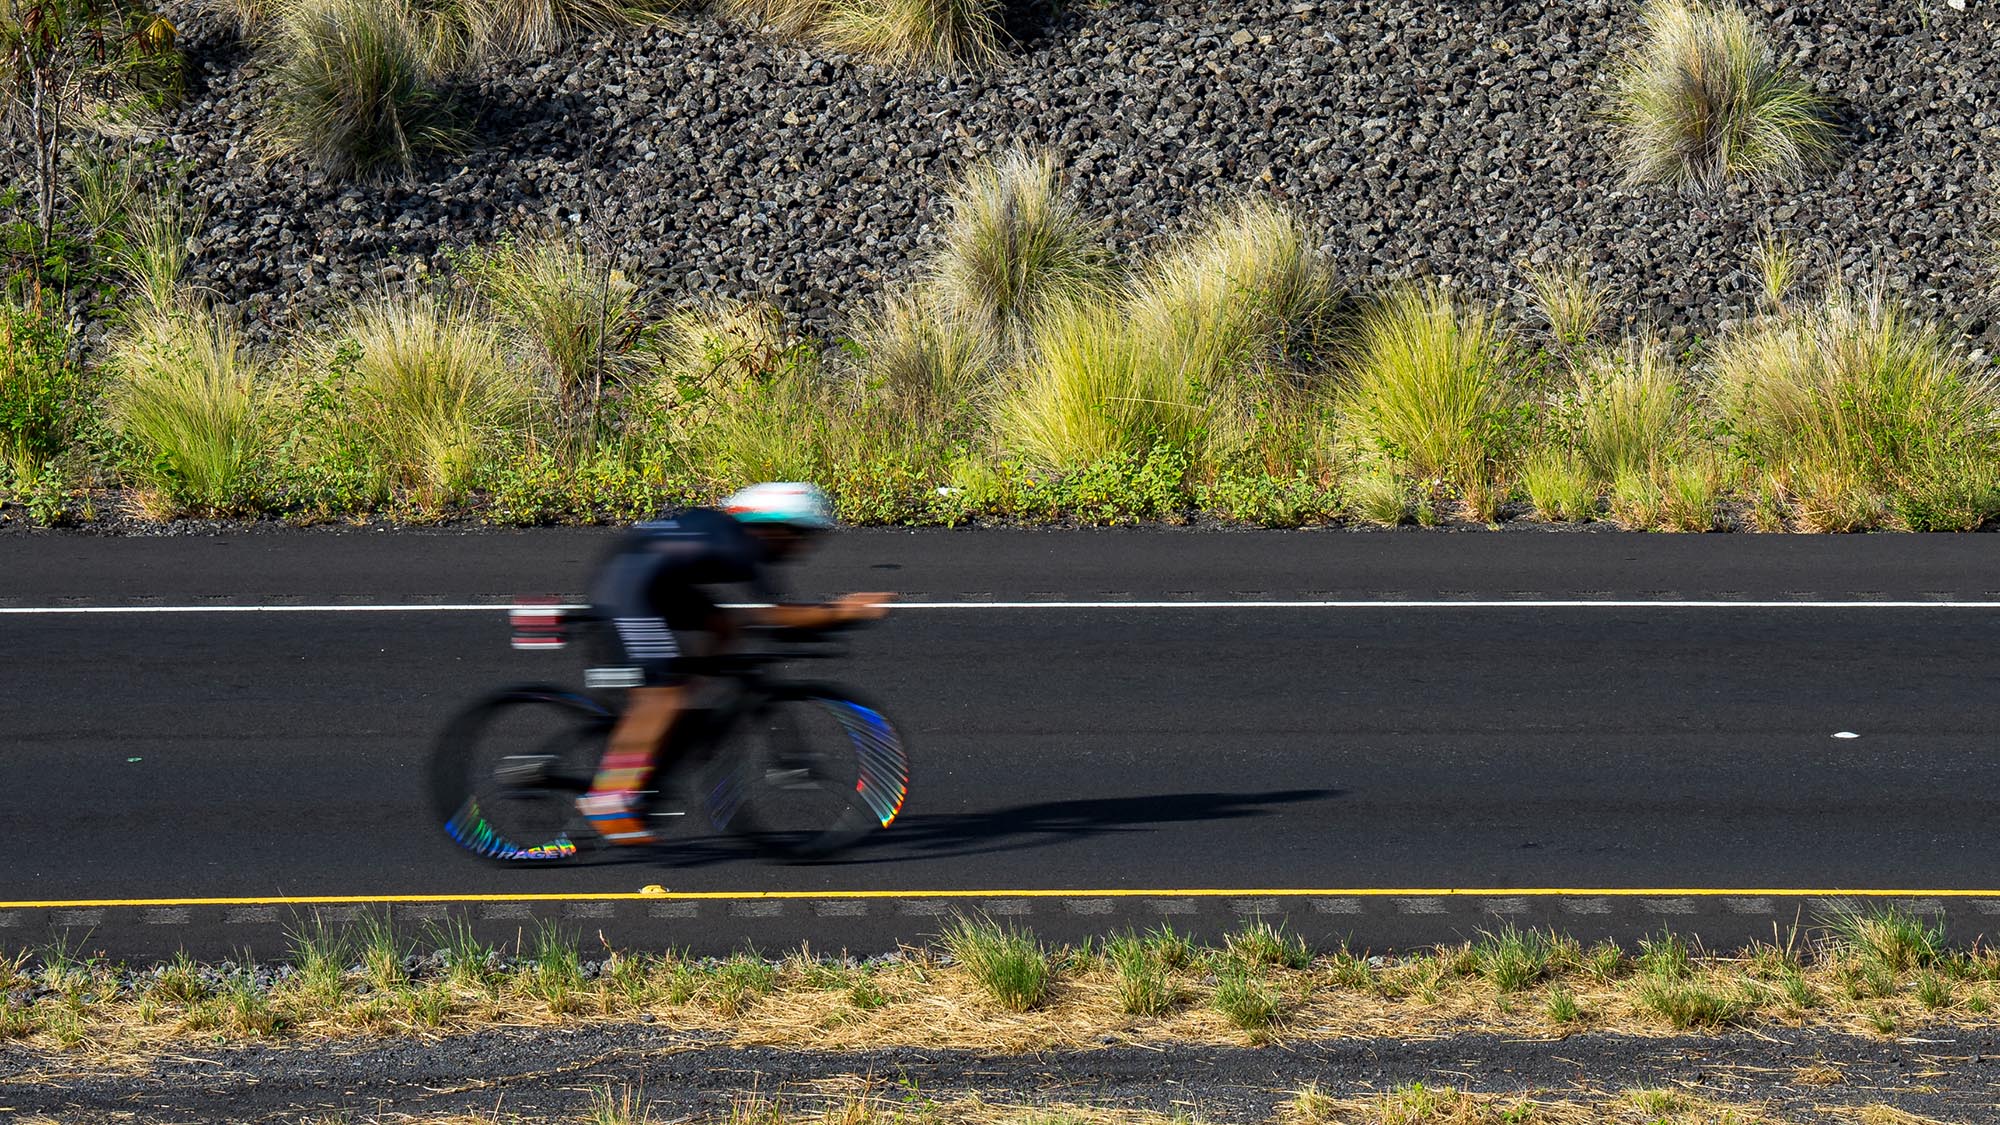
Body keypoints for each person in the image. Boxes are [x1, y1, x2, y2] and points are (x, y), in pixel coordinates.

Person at [576, 482, 892, 845]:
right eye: (799, 535)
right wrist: (842, 611)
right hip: (628, 591)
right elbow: (777, 615)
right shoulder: (741, 545)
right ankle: (607, 798)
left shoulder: (740, 537)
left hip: (657, 583)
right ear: (770, 526)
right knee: (664, 697)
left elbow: (765, 616)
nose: (803, 547)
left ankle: (676, 707)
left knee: (724, 630)